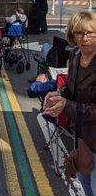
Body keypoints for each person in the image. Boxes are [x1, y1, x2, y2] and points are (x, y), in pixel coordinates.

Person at [43, 12, 96, 196]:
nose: (85, 38)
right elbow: (71, 86)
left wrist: (66, 105)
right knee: (84, 180)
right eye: (79, 33)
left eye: (91, 33)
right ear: (72, 35)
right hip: (83, 135)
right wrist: (58, 94)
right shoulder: (75, 55)